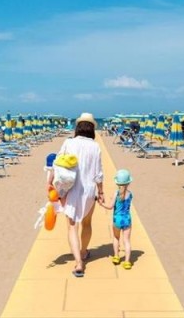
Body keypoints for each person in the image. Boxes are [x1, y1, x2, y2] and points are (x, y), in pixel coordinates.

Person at [50, 112, 103, 278]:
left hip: (72, 188)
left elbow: (56, 164)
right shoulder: (95, 146)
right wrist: (101, 192)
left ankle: (79, 263)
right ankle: (84, 251)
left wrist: (51, 183)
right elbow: (98, 174)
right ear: (91, 129)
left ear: (78, 128)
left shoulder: (69, 143)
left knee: (72, 226)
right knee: (87, 223)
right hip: (89, 190)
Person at [98, 168, 133, 270]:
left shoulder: (116, 193)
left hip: (117, 219)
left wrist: (101, 204)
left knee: (116, 238)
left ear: (117, 183)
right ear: (128, 182)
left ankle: (116, 256)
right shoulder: (130, 194)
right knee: (127, 241)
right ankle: (127, 262)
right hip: (127, 219)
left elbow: (110, 207)